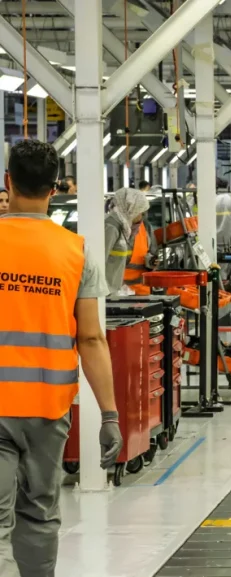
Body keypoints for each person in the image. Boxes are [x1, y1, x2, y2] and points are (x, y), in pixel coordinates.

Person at [0, 140, 122, 577]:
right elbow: (91, 339)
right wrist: (109, 415)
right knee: (37, 516)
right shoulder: (76, 252)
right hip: (46, 411)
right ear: (54, 189)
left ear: (7, 181)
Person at [103, 188, 152, 296]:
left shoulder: (122, 227)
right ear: (131, 209)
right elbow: (97, 264)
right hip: (104, 294)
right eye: (140, 212)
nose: (140, 217)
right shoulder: (111, 227)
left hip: (112, 291)